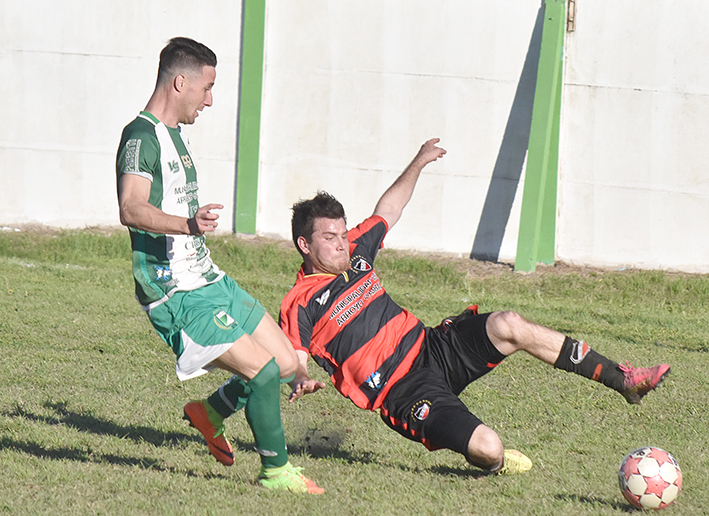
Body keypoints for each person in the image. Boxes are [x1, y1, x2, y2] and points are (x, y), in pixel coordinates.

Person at [279, 138, 671, 474]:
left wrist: (418, 162)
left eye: (344, 234)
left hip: (432, 347)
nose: (342, 244)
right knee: (489, 448)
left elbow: (389, 209)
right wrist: (300, 377)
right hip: (401, 390)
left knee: (508, 323)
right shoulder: (301, 302)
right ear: (304, 245)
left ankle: (624, 381)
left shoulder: (356, 254)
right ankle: (494, 462)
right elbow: (295, 356)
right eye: (330, 238)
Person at [115, 37, 323, 494]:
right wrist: (188, 224)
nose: (209, 100)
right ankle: (275, 472)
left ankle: (208, 414)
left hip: (208, 277)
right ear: (179, 81)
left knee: (288, 364)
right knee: (262, 372)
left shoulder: (176, 138)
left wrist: (192, 230)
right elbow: (131, 208)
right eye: (206, 88)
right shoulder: (140, 137)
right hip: (175, 291)